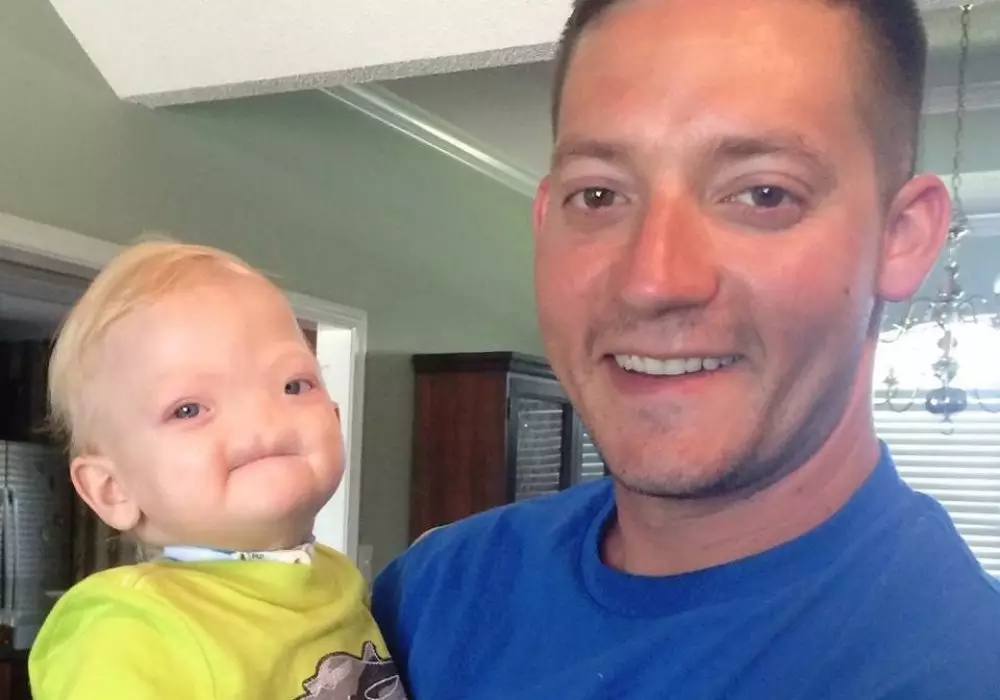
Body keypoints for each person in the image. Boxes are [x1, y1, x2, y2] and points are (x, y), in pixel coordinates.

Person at [371, 0, 1000, 697]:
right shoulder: (429, 597)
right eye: (599, 195)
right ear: (546, 221)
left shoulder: (961, 667)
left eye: (764, 194)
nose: (652, 281)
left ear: (901, 237)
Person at [29, 242, 407, 700]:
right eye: (188, 409)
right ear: (113, 489)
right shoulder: (130, 628)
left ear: (335, 415)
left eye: (293, 385)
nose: (261, 416)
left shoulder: (337, 579)